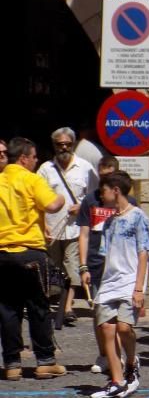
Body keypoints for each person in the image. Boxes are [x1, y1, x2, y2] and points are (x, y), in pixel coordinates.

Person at [0, 137, 67, 381]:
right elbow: (51, 205)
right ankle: (45, 361)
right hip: (30, 252)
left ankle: (12, 364)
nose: (37, 161)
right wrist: (60, 198)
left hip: (3, 254)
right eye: (35, 157)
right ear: (24, 158)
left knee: (8, 309)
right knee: (38, 307)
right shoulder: (31, 179)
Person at [92, 171, 149, 398]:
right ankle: (116, 381)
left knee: (124, 328)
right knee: (107, 329)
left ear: (115, 190)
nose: (101, 194)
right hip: (110, 283)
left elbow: (144, 252)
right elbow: (106, 255)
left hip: (130, 281)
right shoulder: (107, 222)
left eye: (104, 190)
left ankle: (132, 362)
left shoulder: (138, 217)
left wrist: (139, 288)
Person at [78, 156, 135, 375]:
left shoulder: (131, 207)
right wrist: (83, 266)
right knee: (100, 315)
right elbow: (83, 234)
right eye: (101, 177)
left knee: (121, 319)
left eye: (108, 177)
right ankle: (105, 355)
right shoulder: (90, 201)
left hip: (121, 270)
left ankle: (123, 357)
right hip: (96, 263)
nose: (103, 183)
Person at [38, 126, 97, 325]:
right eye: (59, 144)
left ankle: (68, 306)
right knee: (54, 268)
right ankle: (54, 302)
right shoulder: (45, 169)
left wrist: (81, 207)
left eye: (67, 144)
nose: (64, 148)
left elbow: (94, 196)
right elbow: (37, 199)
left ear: (73, 145)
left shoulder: (85, 167)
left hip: (76, 228)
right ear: (54, 146)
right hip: (52, 228)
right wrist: (42, 224)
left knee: (72, 267)